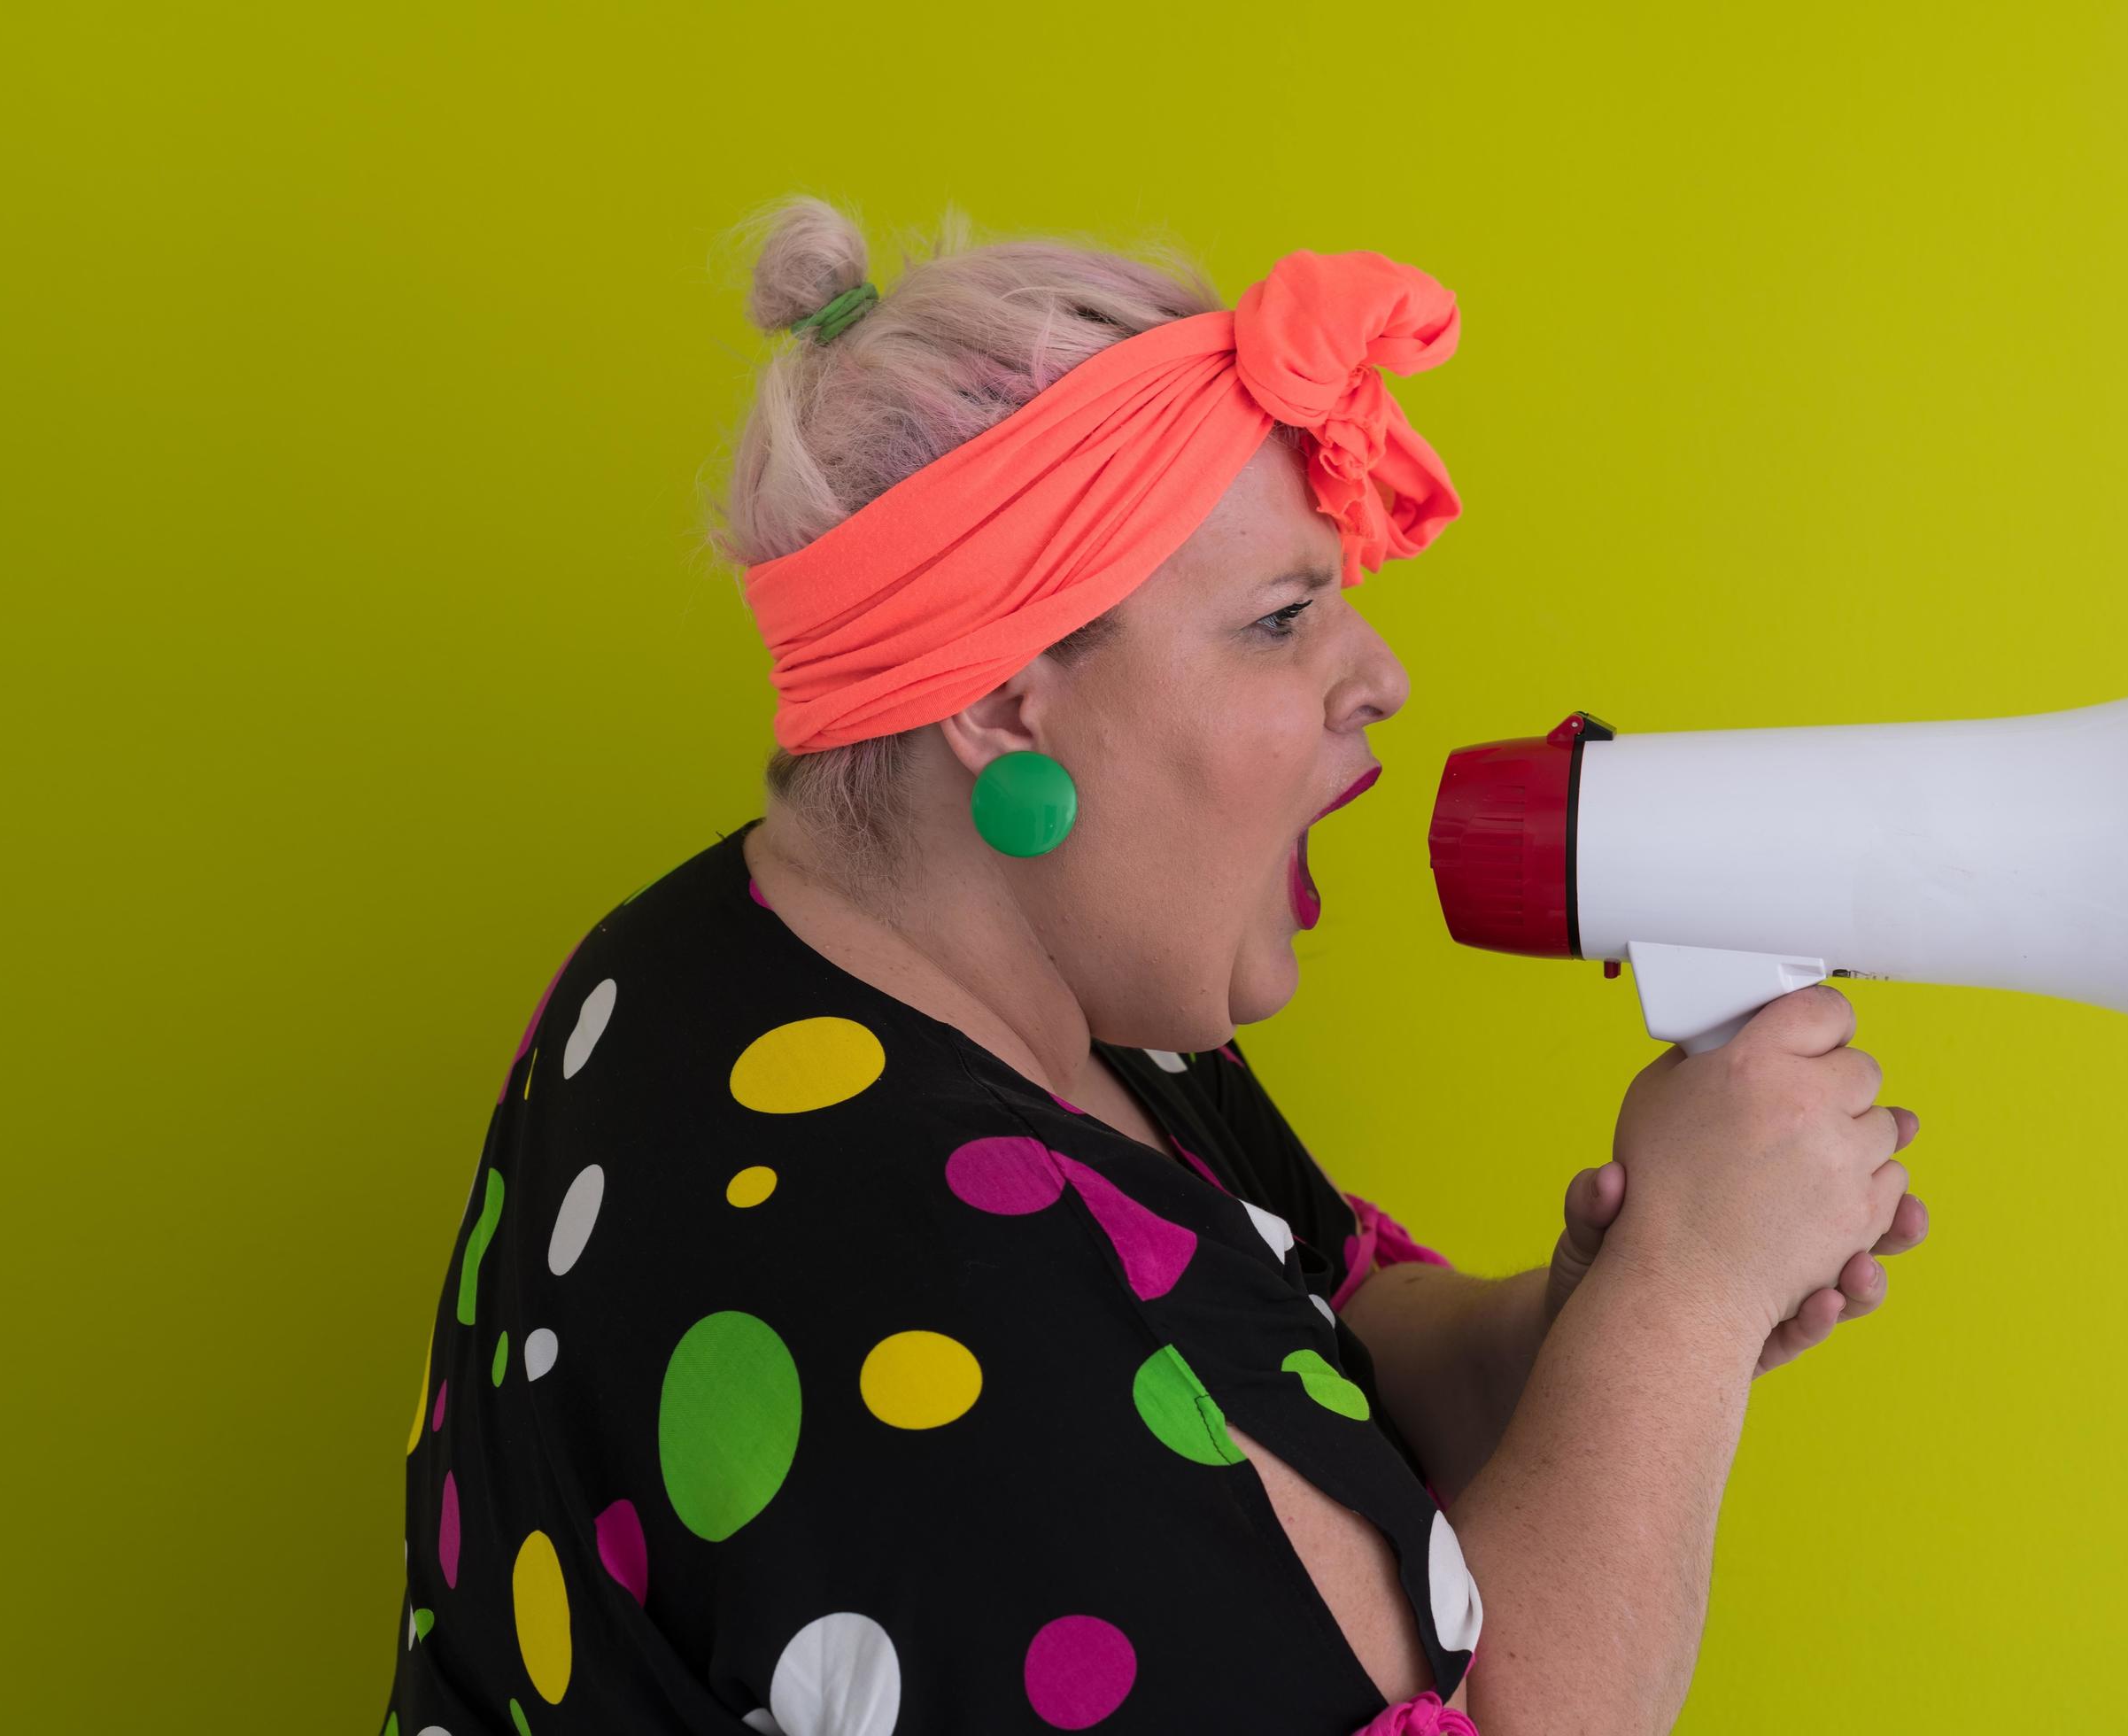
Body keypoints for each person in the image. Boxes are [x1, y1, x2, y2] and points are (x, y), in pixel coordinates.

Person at [381, 195, 1927, 1736]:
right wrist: (1688, 1298)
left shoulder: (789, 967)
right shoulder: (938, 1297)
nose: (1379, 676)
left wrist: (1577, 1328)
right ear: (1001, 703)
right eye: (1279, 620)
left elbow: (1314, 1349)